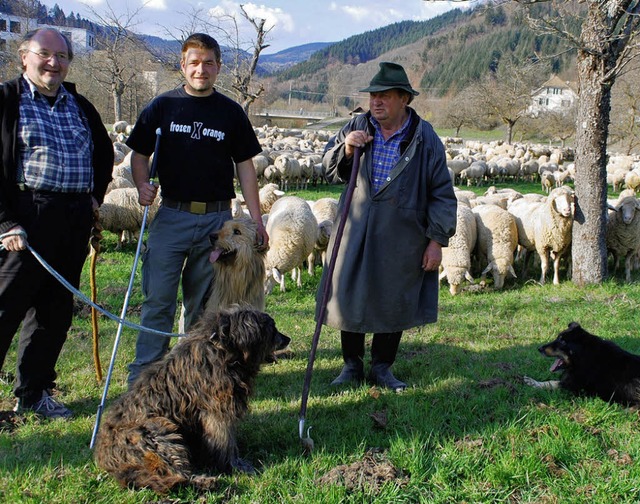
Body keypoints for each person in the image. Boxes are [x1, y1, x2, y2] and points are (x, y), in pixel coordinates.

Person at [126, 33, 268, 385]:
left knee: (203, 306)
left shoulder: (231, 112)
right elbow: (140, 154)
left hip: (216, 220)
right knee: (158, 300)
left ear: (218, 67)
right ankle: (144, 377)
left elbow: (246, 166)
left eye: (208, 63)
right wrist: (142, 184)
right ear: (182, 65)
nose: (200, 69)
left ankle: (191, 374)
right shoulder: (162, 107)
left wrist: (256, 217)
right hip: (172, 215)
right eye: (194, 62)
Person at [317, 62, 457, 392]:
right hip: (355, 227)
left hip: (403, 233)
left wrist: (437, 240)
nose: (376, 102)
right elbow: (327, 167)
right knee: (348, 293)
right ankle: (351, 365)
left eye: (385, 96)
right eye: (373, 96)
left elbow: (442, 192)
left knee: (394, 296)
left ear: (404, 99)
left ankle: (382, 366)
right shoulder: (356, 125)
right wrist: (347, 148)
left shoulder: (424, 138)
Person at [0, 28, 113, 417]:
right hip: (26, 218)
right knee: (5, 307)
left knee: (54, 311)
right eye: (45, 53)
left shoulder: (79, 104)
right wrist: (5, 222)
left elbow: (104, 150)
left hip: (72, 219)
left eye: (62, 56)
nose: (54, 62)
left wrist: (95, 196)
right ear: (24, 56)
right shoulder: (7, 100)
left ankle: (33, 392)